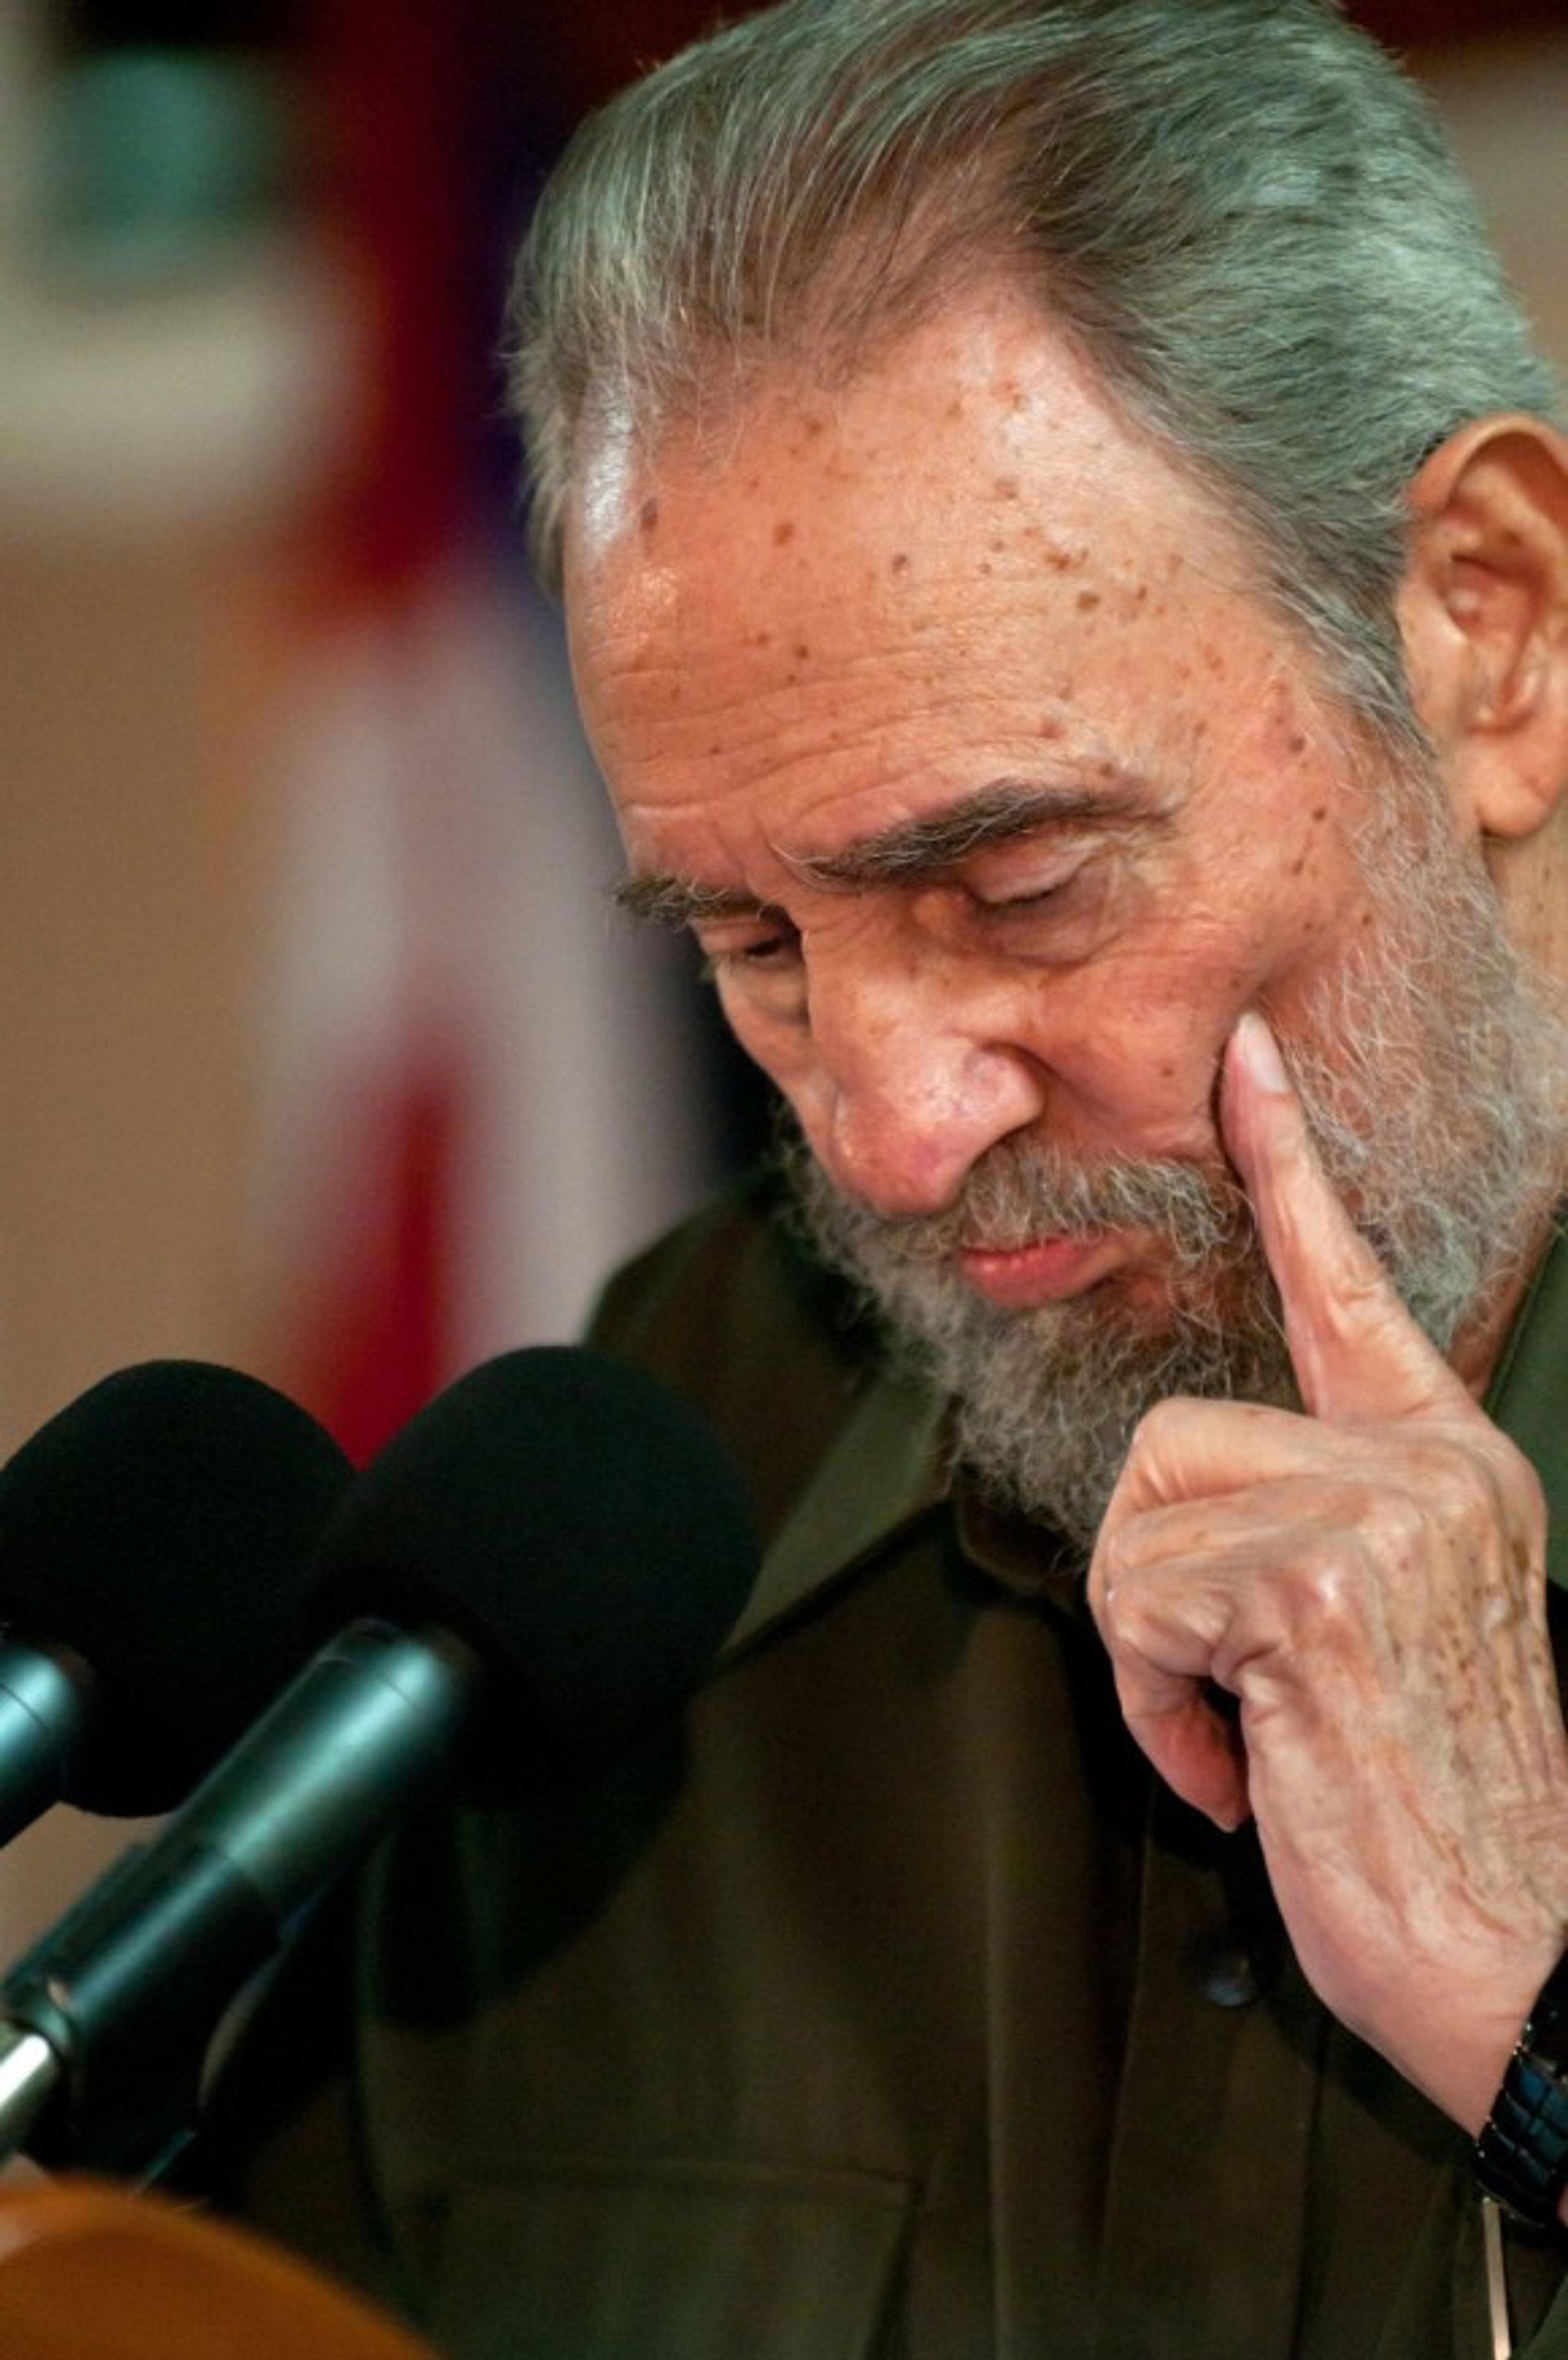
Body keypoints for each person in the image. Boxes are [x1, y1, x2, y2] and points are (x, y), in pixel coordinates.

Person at [211, 1, 1568, 2352]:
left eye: (1018, 887)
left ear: (1491, 623)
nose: (890, 1135)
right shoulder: (652, 1493)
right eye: (754, 945)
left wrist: (1536, 2032)